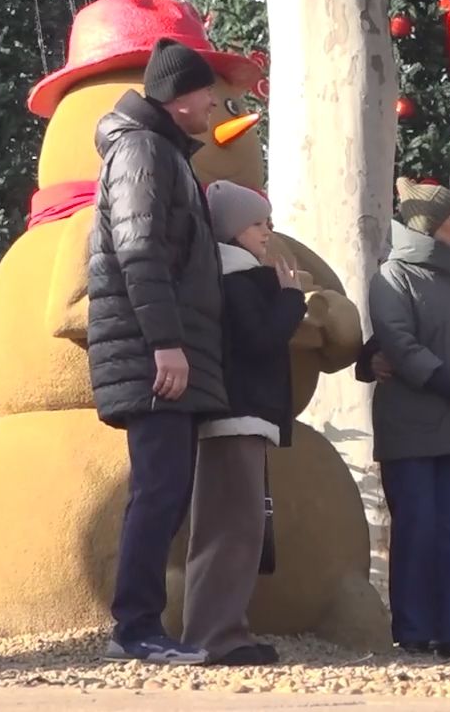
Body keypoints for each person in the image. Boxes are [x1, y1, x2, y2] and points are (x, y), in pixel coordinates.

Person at [87, 37, 230, 665]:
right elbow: (138, 251)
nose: (215, 104)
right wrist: (166, 345)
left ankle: (140, 625)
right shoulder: (141, 149)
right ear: (178, 100)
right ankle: (136, 627)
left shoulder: (161, 150)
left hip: (163, 351)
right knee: (159, 488)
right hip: (154, 354)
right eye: (207, 92)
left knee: (167, 489)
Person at [370, 177, 450, 661]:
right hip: (412, 428)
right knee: (418, 526)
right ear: (428, 226)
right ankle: (413, 629)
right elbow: (399, 343)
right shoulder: (391, 277)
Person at [181, 180, 306, 667]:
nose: (266, 233)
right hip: (238, 414)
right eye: (257, 223)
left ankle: (221, 630)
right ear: (232, 229)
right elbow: (261, 340)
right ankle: (217, 635)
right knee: (234, 527)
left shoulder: (223, 274)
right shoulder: (238, 278)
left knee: (230, 524)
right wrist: (292, 299)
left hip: (231, 414)